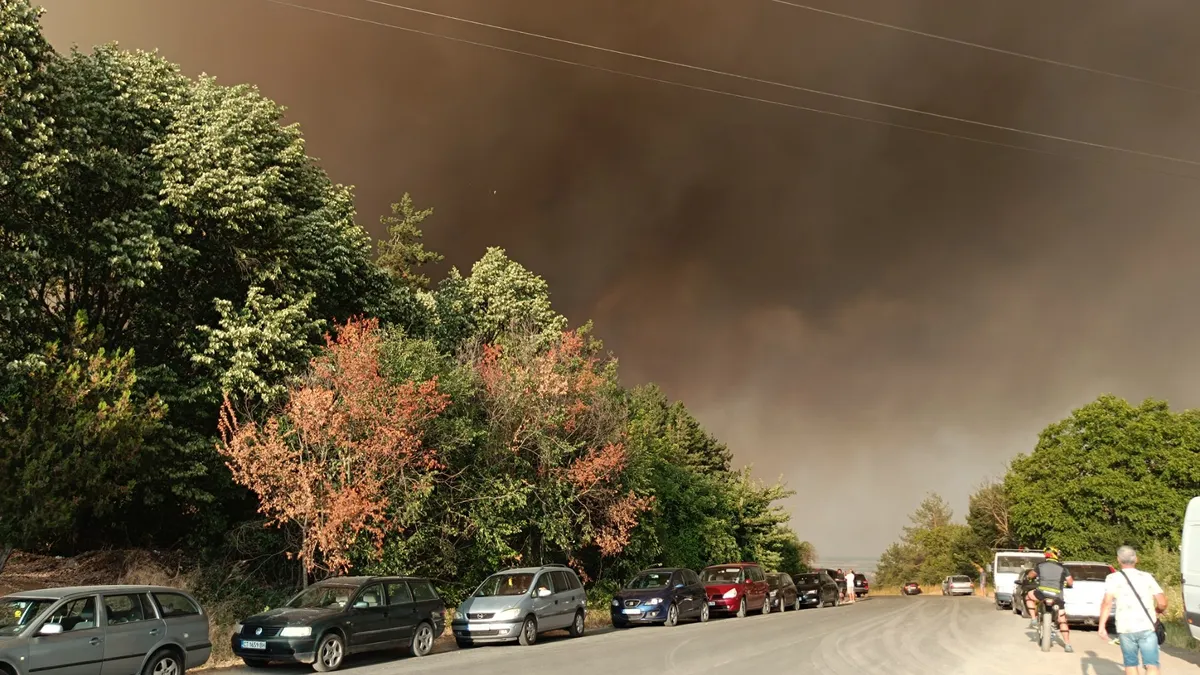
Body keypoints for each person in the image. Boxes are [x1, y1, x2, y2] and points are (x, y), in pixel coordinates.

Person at [1099, 546, 1167, 675]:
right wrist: (1158, 610)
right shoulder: (1146, 577)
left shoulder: (1113, 578)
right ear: (1136, 559)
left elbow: (1107, 603)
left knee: (1131, 664)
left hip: (1125, 628)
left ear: (1118, 560)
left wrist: (1102, 626)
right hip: (1146, 627)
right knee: (1151, 665)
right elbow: (1162, 602)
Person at [1024, 546, 1074, 653]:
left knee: (1028, 596)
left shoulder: (1040, 566)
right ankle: (1068, 645)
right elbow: (1070, 582)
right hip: (1057, 596)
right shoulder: (1063, 568)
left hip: (1041, 593)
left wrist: (1028, 578)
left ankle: (1033, 619)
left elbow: (1031, 575)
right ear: (1056, 555)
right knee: (1062, 619)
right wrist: (1067, 584)